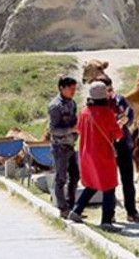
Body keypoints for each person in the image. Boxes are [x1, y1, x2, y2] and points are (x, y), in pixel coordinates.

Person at [67, 81, 124, 233]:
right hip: (103, 154)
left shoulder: (84, 111)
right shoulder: (107, 113)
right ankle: (106, 221)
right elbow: (117, 134)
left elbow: (79, 129)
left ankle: (76, 211)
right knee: (109, 187)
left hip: (86, 153)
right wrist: (121, 124)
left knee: (92, 184)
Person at [96, 75, 139, 223]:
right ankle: (109, 214)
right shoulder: (96, 104)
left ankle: (131, 211)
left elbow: (131, 115)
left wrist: (126, 120)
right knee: (109, 182)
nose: (110, 93)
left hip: (123, 143)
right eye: (106, 90)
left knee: (128, 179)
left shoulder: (120, 100)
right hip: (106, 145)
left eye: (111, 89)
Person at [49, 75, 80, 219]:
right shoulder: (55, 106)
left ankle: (71, 206)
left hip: (70, 145)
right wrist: (71, 131)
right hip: (59, 147)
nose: (73, 91)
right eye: (71, 88)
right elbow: (53, 130)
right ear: (62, 88)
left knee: (75, 176)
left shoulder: (72, 103)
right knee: (61, 178)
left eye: (75, 88)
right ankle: (63, 208)